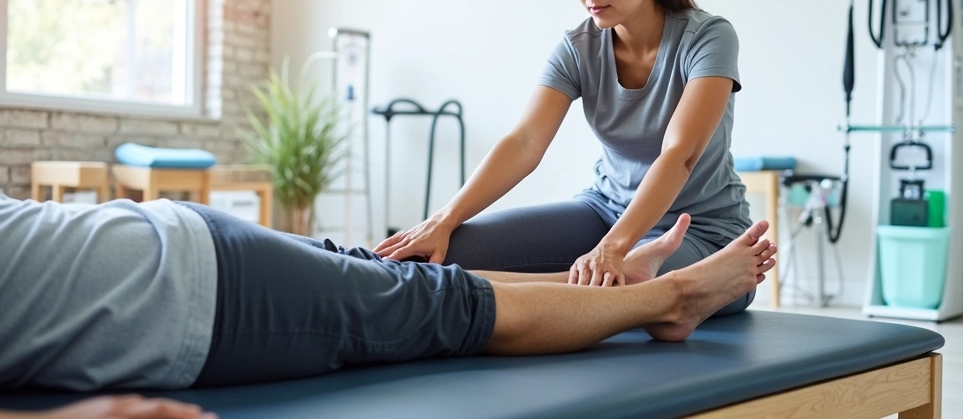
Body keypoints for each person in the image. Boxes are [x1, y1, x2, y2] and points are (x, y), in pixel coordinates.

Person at [0, 191, 775, 413]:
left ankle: (652, 295)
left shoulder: (698, 41)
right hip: (182, 283)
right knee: (424, 294)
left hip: (180, 268)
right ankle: (661, 295)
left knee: (420, 290)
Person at [374, 0, 759, 314]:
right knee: (441, 253)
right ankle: (610, 288)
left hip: (702, 230)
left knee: (628, 281)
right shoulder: (578, 48)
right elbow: (524, 143)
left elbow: (679, 153)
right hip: (604, 210)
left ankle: (630, 287)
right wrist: (443, 220)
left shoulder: (709, 37)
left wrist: (614, 247)